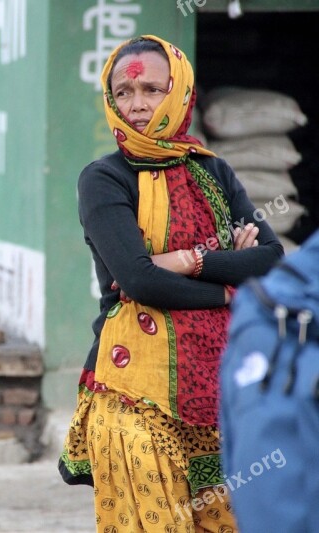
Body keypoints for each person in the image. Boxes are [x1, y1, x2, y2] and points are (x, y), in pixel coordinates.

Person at [58, 35, 283, 532]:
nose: (137, 105)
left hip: (215, 392)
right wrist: (227, 282)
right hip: (132, 390)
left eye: (152, 90)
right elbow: (139, 281)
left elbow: (270, 257)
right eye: (124, 92)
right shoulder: (104, 179)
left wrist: (187, 260)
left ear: (178, 91)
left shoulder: (212, 172)